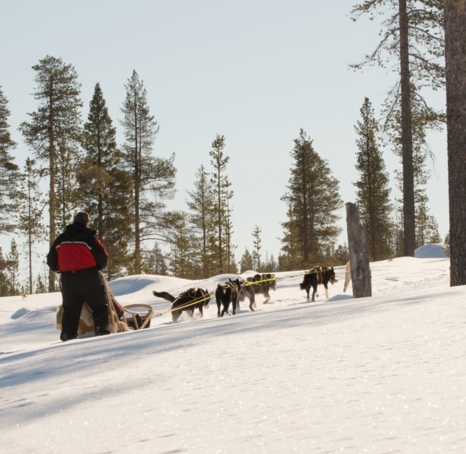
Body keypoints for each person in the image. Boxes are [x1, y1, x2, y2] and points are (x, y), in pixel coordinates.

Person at [47, 211, 110, 341]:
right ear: (87, 223)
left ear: (74, 221)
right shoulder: (90, 237)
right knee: (99, 306)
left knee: (70, 309)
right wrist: (96, 267)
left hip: (67, 278)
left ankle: (67, 335)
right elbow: (103, 257)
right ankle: (101, 332)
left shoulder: (60, 239)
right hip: (88, 275)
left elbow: (51, 260)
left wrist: (61, 269)